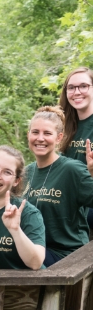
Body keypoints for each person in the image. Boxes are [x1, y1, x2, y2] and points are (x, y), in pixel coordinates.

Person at [22, 106, 93, 265]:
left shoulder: (72, 170)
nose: (40, 138)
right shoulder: (26, 173)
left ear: (59, 137)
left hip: (66, 257)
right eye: (35, 132)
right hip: (34, 250)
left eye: (47, 133)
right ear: (28, 135)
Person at [58, 67, 93, 227]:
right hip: (65, 199)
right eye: (71, 88)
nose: (77, 92)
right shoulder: (62, 126)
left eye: (83, 86)